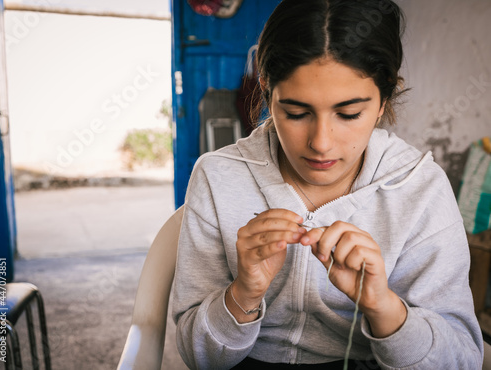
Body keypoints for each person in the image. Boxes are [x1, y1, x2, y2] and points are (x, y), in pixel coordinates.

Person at [172, 0, 484, 368]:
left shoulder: (420, 189)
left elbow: (462, 359)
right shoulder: (218, 176)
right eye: (296, 113)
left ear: (384, 101)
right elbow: (197, 357)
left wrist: (385, 309)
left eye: (349, 113)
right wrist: (243, 294)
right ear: (268, 91)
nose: (321, 142)